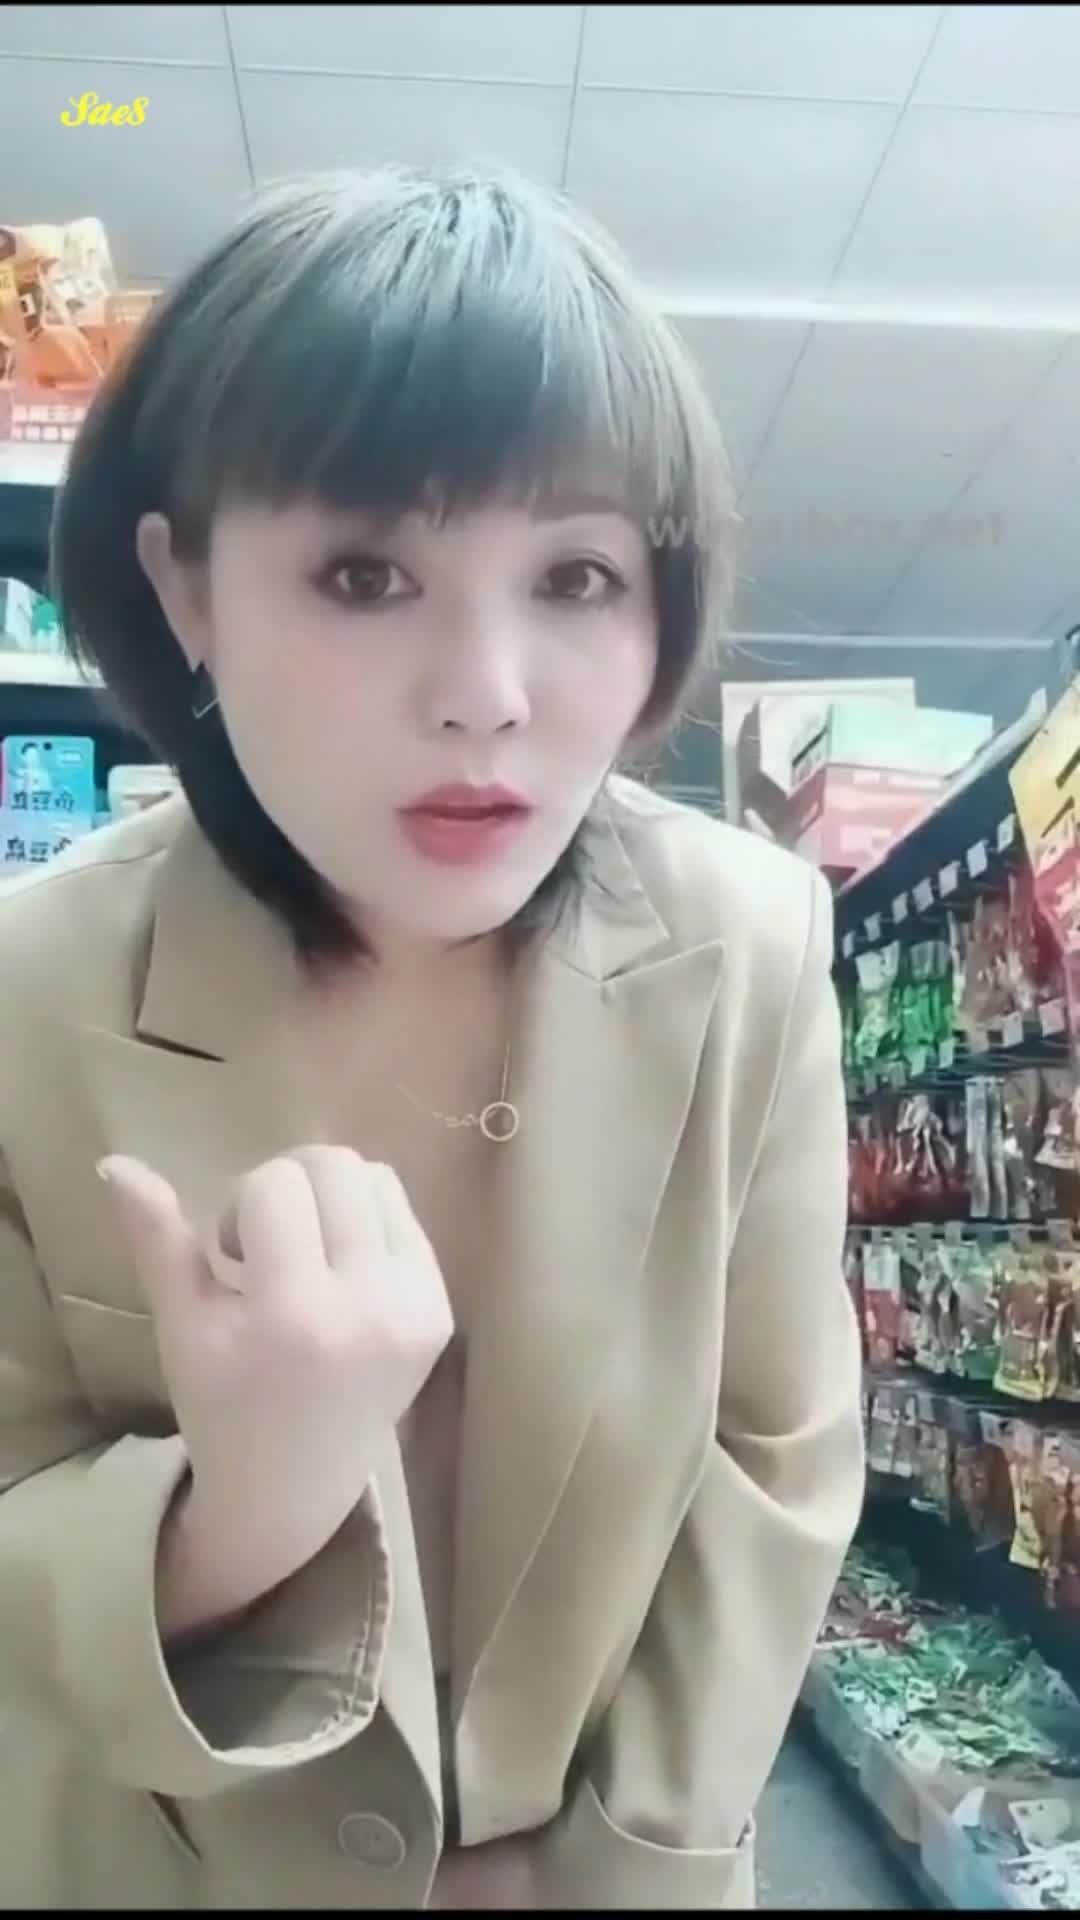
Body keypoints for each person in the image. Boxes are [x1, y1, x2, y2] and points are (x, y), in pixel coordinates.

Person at [0, 165, 864, 1909]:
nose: (487, 691)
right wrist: (247, 1503)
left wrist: (611, 1863)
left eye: (578, 575)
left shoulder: (752, 944)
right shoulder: (33, 989)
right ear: (186, 588)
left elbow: (774, 1464)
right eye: (365, 571)